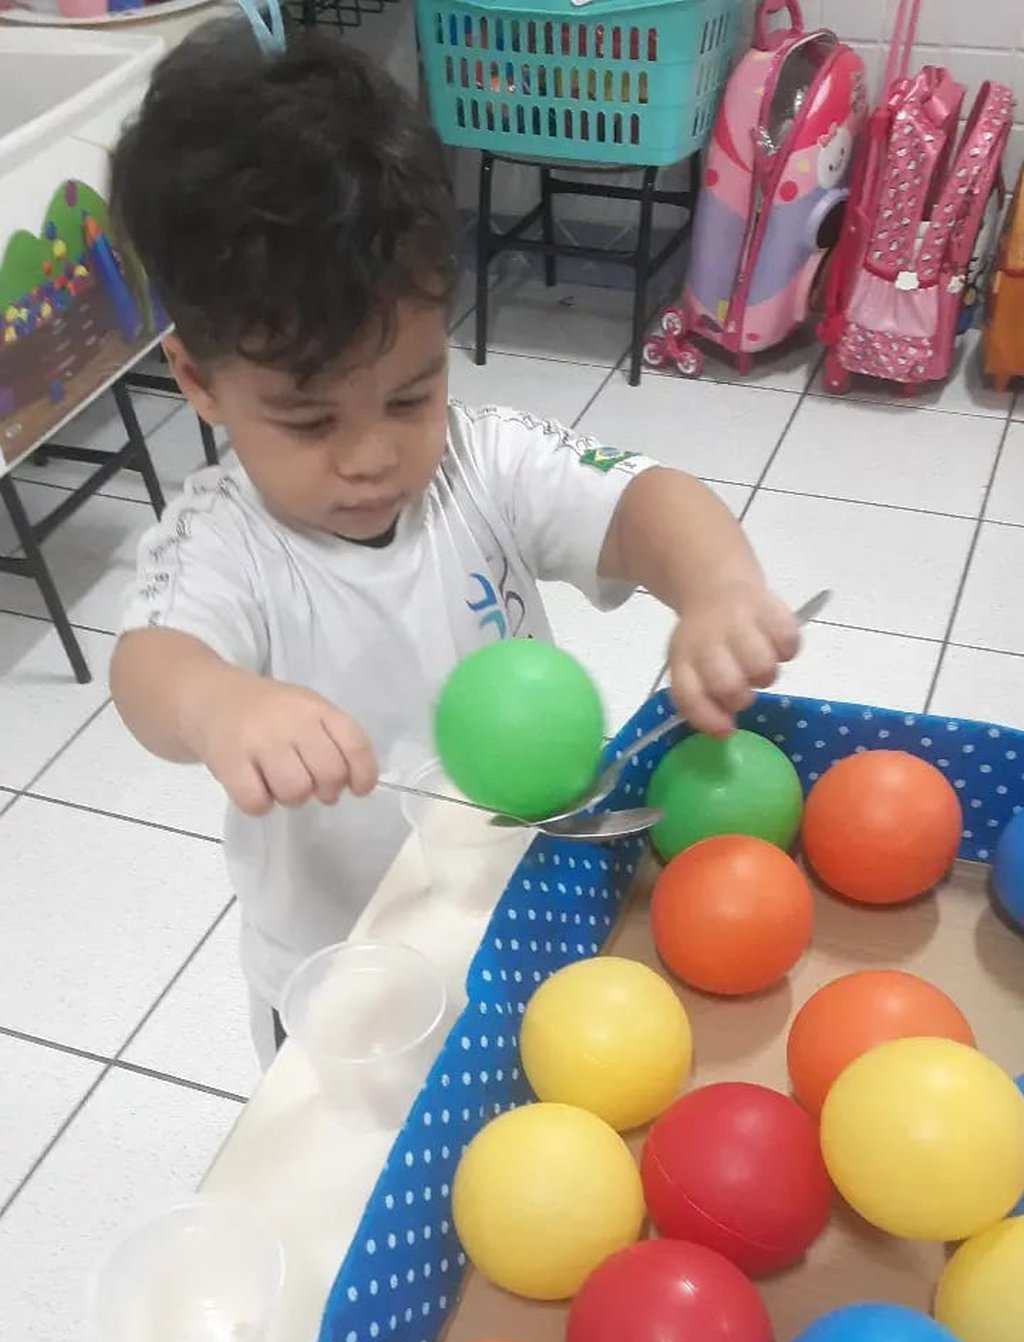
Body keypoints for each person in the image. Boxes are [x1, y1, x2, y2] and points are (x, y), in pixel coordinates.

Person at [109, 21, 799, 1065]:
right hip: (350, 972)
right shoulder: (223, 542)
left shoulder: (485, 461)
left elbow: (643, 501)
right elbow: (150, 666)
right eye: (310, 420)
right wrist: (219, 705)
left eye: (410, 395)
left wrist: (716, 587)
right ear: (198, 381)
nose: (371, 456)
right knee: (356, 1148)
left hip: (527, 907)